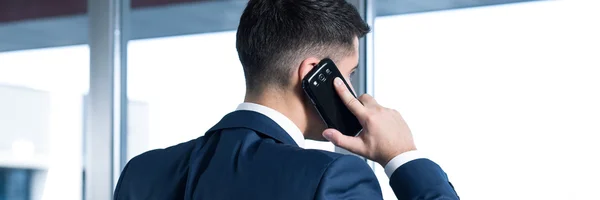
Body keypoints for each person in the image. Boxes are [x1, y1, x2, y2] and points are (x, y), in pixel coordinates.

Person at [114, 0, 459, 199]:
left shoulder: (142, 172)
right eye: (349, 74)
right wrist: (402, 156)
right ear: (313, 73)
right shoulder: (333, 178)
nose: (354, 91)